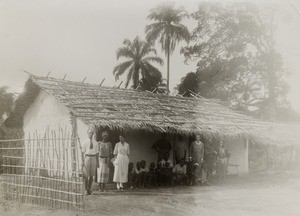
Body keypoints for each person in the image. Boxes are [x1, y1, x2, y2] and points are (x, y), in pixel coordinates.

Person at [82, 128, 98, 195]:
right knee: (86, 175)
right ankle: (86, 190)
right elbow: (82, 152)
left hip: (93, 158)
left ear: (93, 134)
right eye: (89, 133)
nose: (90, 134)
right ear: (87, 134)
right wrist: (82, 161)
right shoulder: (85, 142)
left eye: (92, 133)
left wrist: (97, 162)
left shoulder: (96, 143)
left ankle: (89, 189)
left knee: (91, 176)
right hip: (87, 158)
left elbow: (97, 153)